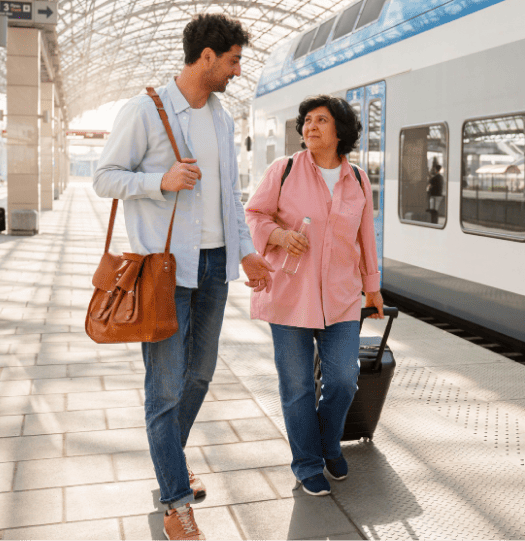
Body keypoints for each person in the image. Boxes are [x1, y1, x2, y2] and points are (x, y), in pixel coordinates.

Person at [93, 13, 272, 541]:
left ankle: (167, 462)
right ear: (208, 56)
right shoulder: (145, 111)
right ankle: (175, 498)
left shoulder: (221, 118)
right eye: (234, 60)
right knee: (165, 388)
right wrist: (160, 181)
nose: (238, 71)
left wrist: (245, 253)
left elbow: (231, 199)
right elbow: (105, 178)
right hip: (165, 270)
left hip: (215, 267)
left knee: (198, 377)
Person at [245, 95, 384, 498]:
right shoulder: (284, 170)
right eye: (306, 121)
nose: (310, 127)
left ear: (340, 130)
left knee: (343, 379)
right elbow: (254, 214)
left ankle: (327, 444)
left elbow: (365, 237)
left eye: (321, 120)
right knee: (298, 386)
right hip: (290, 295)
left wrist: (372, 288)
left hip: (341, 297)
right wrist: (279, 235)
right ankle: (308, 463)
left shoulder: (357, 179)